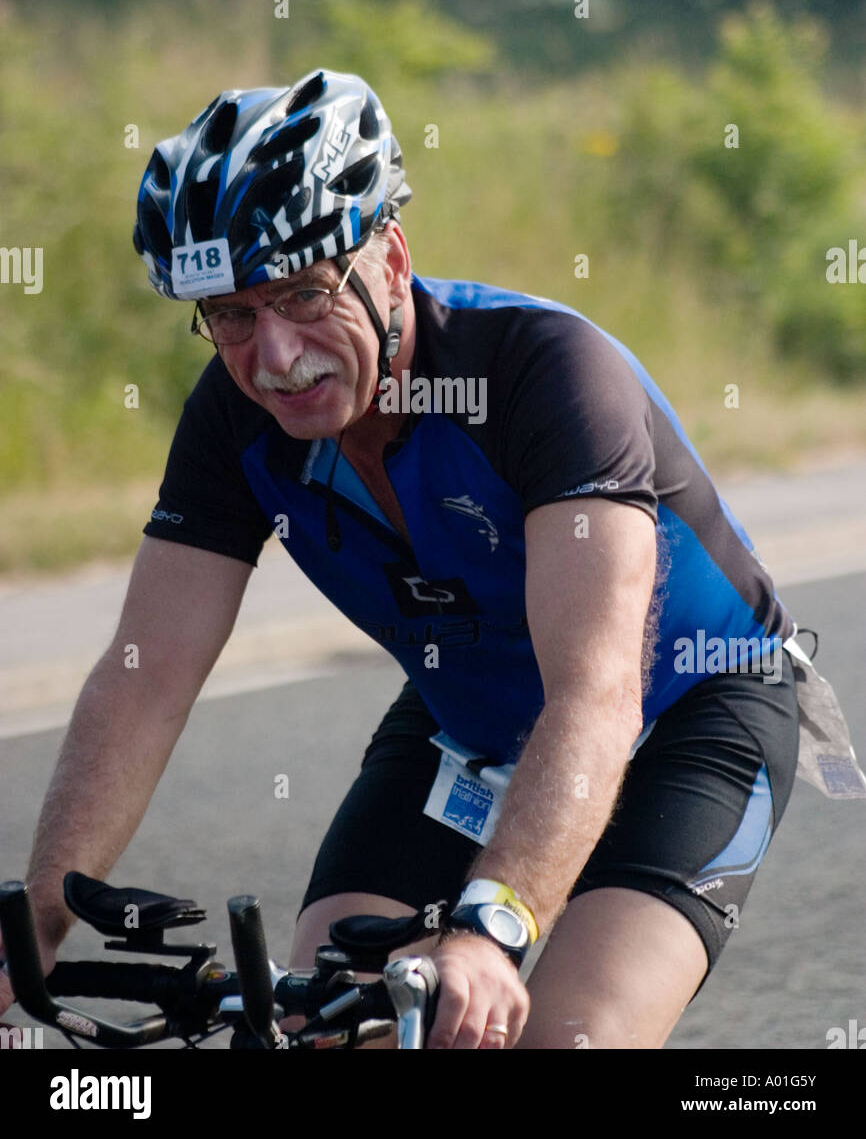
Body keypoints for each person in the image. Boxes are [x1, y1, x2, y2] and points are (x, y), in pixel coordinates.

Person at [0, 68, 841, 1049]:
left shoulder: (545, 375)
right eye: (231, 314)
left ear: (390, 261)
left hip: (683, 714)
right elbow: (145, 679)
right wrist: (36, 924)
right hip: (469, 723)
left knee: (565, 1037)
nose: (276, 357)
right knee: (319, 1024)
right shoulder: (235, 418)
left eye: (304, 294)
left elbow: (595, 694)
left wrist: (492, 926)